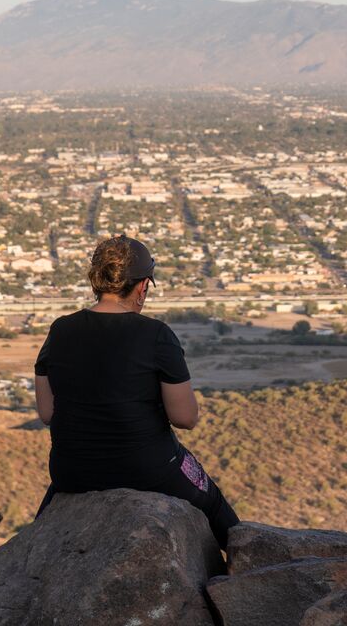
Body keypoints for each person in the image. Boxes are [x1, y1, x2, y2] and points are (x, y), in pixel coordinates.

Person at [33, 233, 239, 549]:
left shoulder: (60, 331)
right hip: (146, 469)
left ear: (96, 282)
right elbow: (185, 418)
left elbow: (47, 413)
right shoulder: (156, 335)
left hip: (71, 471)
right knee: (213, 503)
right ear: (142, 287)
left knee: (42, 525)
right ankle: (251, 568)